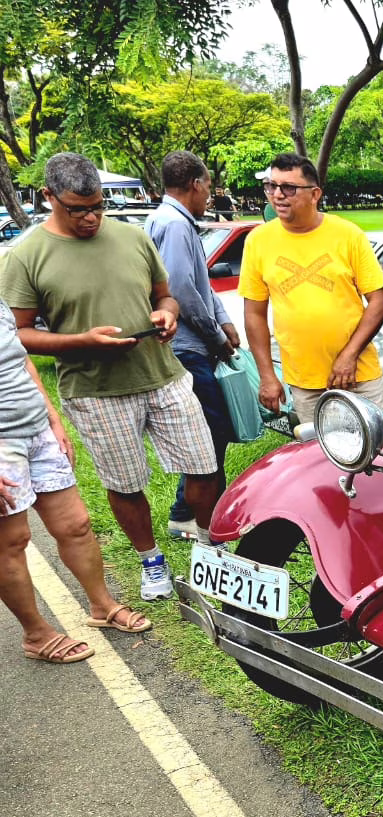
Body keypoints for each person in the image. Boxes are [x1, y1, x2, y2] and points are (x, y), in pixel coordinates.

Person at [0, 152, 219, 601]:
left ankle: (210, 548)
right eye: (77, 209)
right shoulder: (26, 256)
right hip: (95, 392)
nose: (91, 218)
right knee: (125, 483)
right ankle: (151, 561)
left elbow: (166, 296)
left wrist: (167, 314)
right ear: (48, 197)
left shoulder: (132, 237)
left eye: (98, 206)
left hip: (163, 375)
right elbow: (17, 334)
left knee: (204, 465)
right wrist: (82, 341)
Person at [1, 300, 153, 662]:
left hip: (36, 430)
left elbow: (20, 359)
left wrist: (52, 418)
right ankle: (36, 634)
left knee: (76, 525)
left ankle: (102, 606)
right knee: (11, 541)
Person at [238, 152, 383, 427]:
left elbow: (380, 301)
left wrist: (349, 355)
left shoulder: (347, 235)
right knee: (322, 451)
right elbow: (254, 314)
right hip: (305, 383)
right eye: (271, 186)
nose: (278, 195)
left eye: (289, 187)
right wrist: (267, 375)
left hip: (359, 375)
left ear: (315, 194)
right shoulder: (258, 241)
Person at [145, 151, 239, 542]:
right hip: (186, 348)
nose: (210, 194)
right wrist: (216, 337)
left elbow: (200, 283)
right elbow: (181, 290)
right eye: (208, 186)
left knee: (209, 430)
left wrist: (224, 320)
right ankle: (190, 515)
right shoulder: (174, 225)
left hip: (188, 346)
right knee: (212, 432)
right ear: (196, 184)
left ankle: (191, 511)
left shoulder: (171, 220)